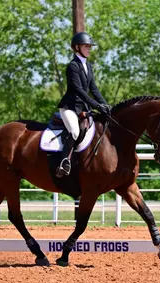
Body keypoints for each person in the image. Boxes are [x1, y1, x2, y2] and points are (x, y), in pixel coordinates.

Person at [55, 32, 111, 178]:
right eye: (86, 46)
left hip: (84, 108)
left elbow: (94, 89)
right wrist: (96, 105)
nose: (89, 49)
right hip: (69, 108)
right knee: (74, 131)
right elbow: (79, 91)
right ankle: (64, 161)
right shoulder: (72, 66)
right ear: (77, 47)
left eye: (90, 46)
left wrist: (105, 105)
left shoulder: (89, 66)